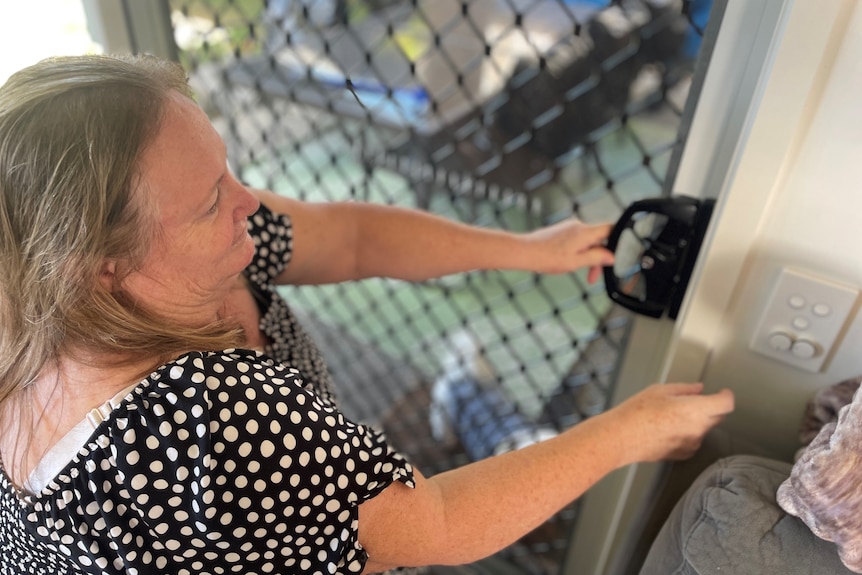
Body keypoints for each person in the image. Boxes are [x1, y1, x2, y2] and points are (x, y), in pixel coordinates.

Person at [0, 54, 734, 575]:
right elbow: (436, 523)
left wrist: (526, 248)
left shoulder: (60, 284)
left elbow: (352, 237)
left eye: (226, 169)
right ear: (101, 265)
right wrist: (626, 431)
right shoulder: (206, 417)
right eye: (208, 201)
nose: (249, 201)